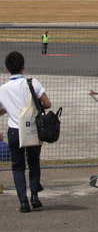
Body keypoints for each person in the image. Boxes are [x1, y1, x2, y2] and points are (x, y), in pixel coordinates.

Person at [0, 51, 52, 213]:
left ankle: (23, 202)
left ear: (7, 69)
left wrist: (9, 109)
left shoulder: (3, 89)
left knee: (17, 167)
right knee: (34, 162)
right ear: (23, 67)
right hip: (32, 129)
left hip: (14, 131)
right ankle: (35, 196)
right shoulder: (32, 82)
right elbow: (47, 103)